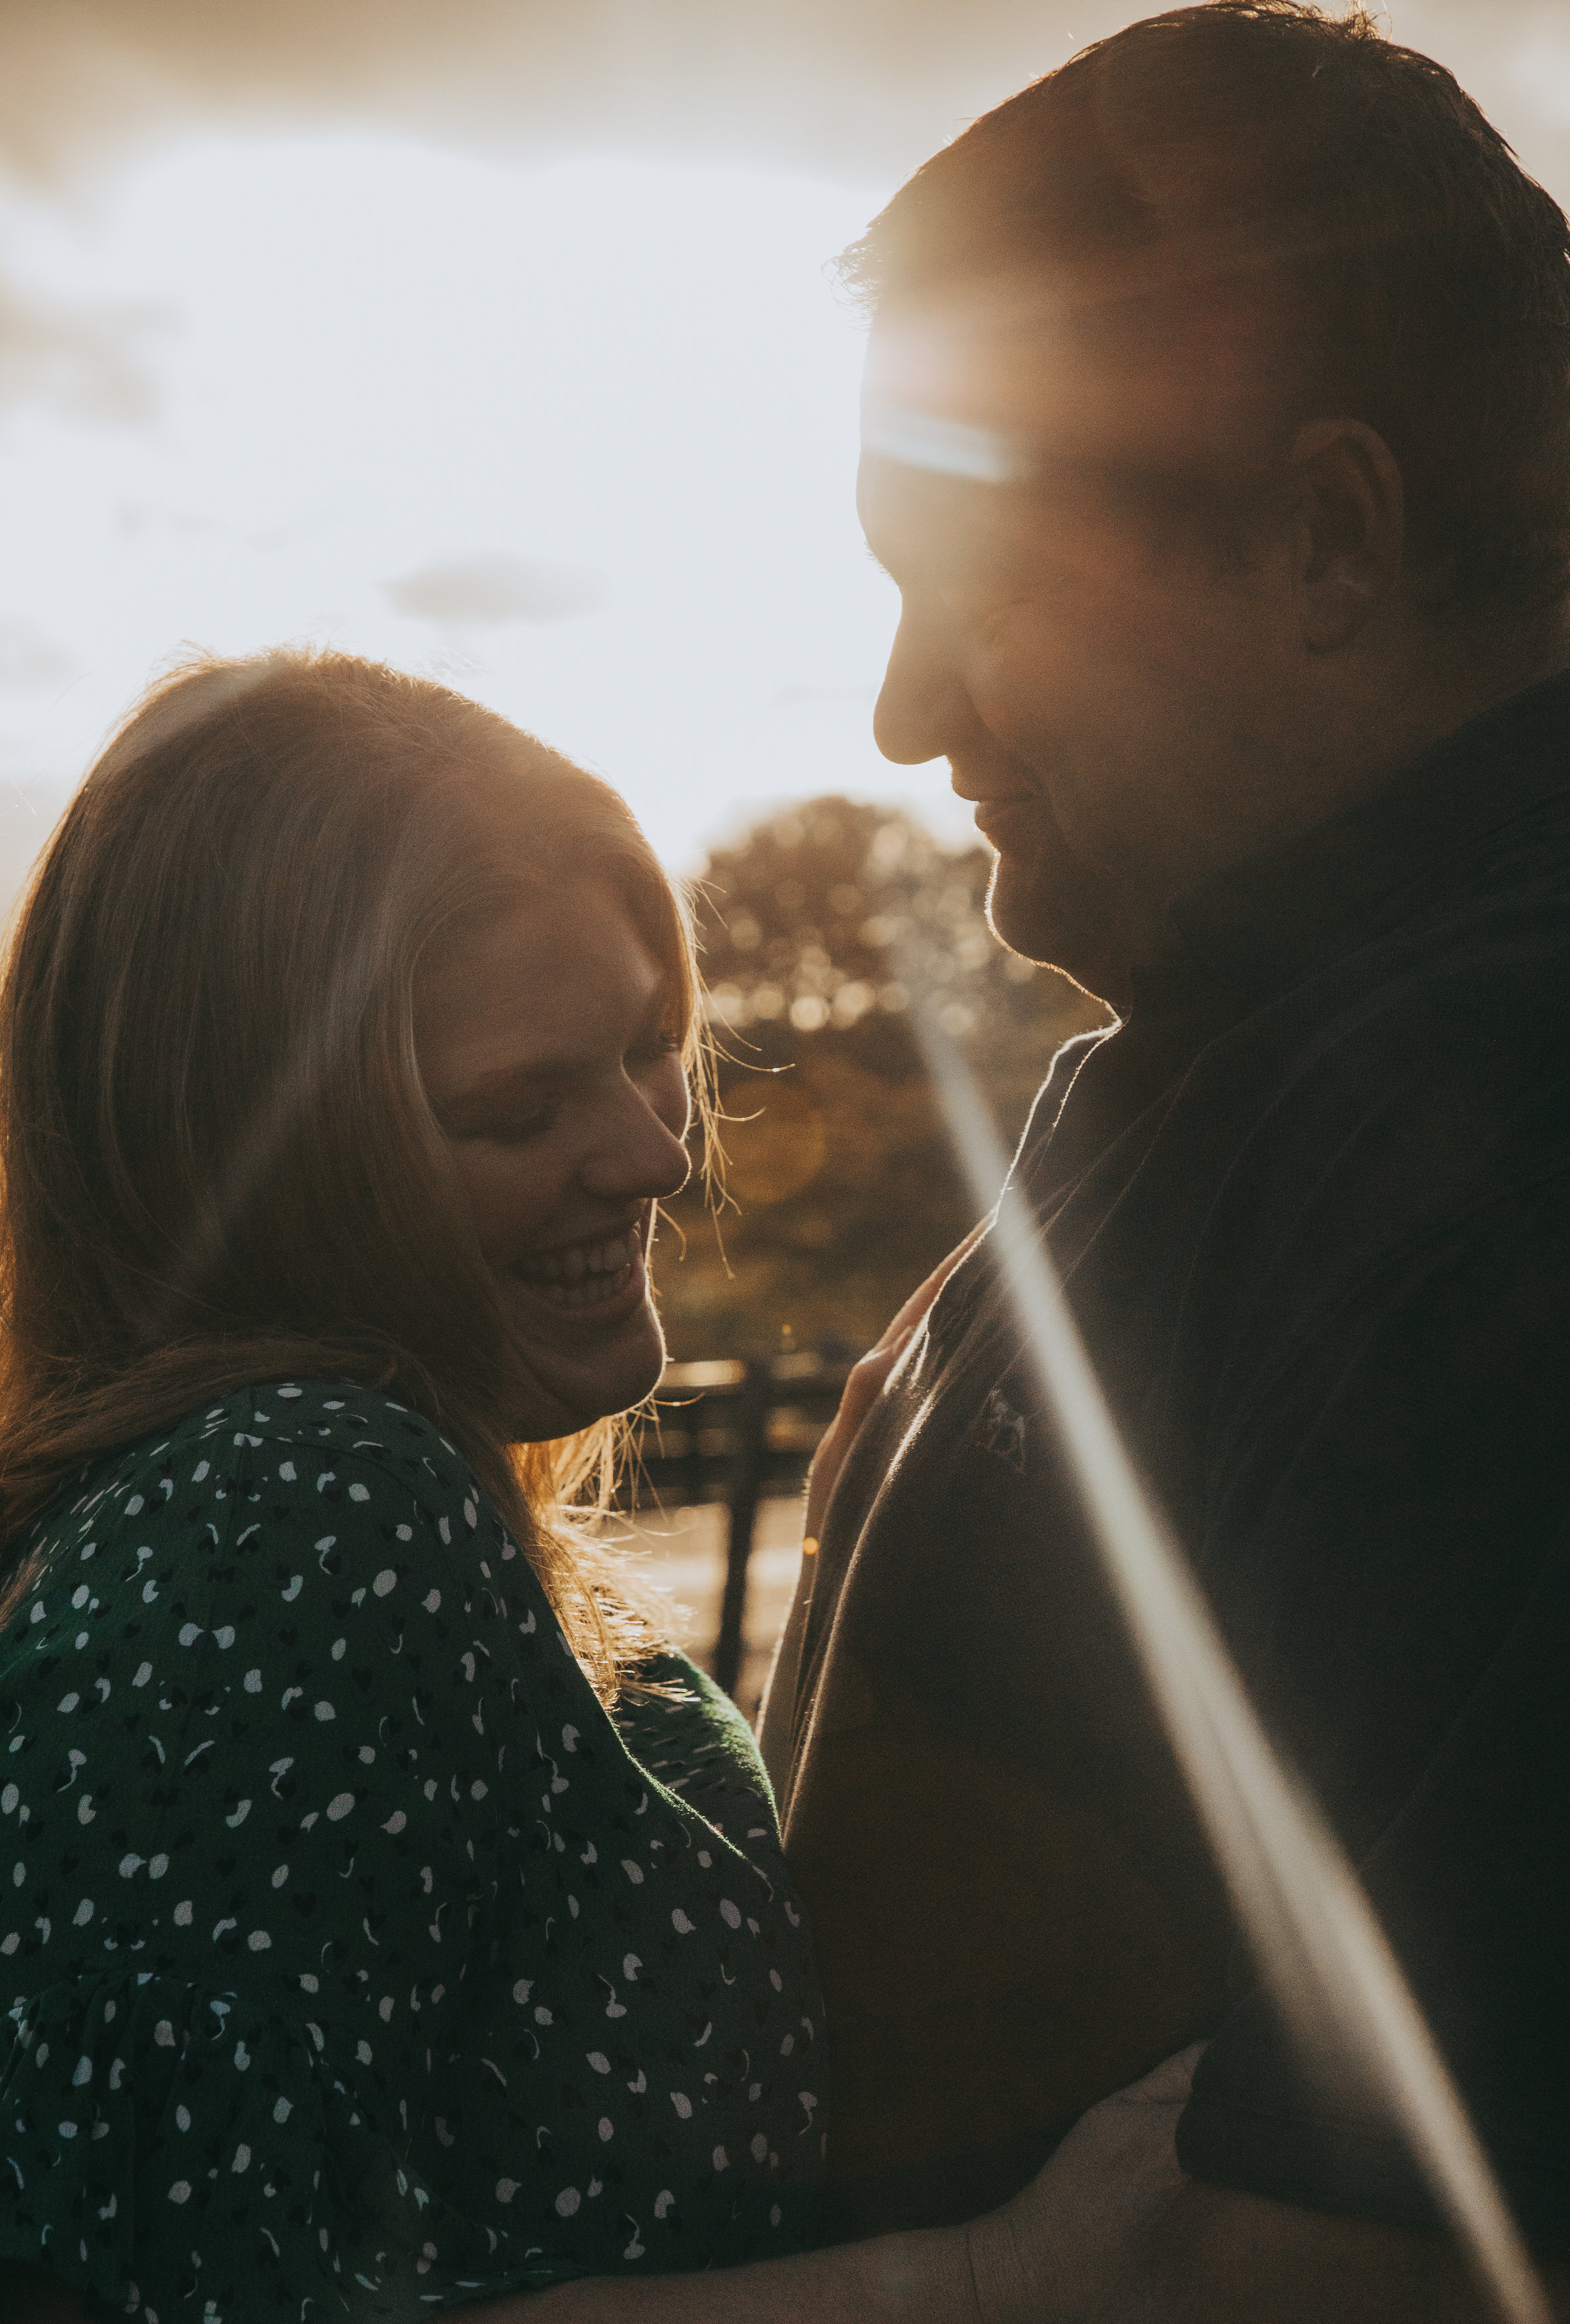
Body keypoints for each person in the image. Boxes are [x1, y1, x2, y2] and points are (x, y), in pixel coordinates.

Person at [0, 648, 1188, 2324]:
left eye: (651, 1046)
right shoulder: (299, 1517)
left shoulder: (298, 1513)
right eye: (520, 1107)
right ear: (262, 1157)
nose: (658, 1151)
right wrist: (997, 2280)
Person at [758, 3, 1570, 2317]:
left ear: (1331, 537)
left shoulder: (1511, 1138)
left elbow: (1358, 2258)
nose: (904, 713)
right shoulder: (1235, 1048)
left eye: (971, 579)